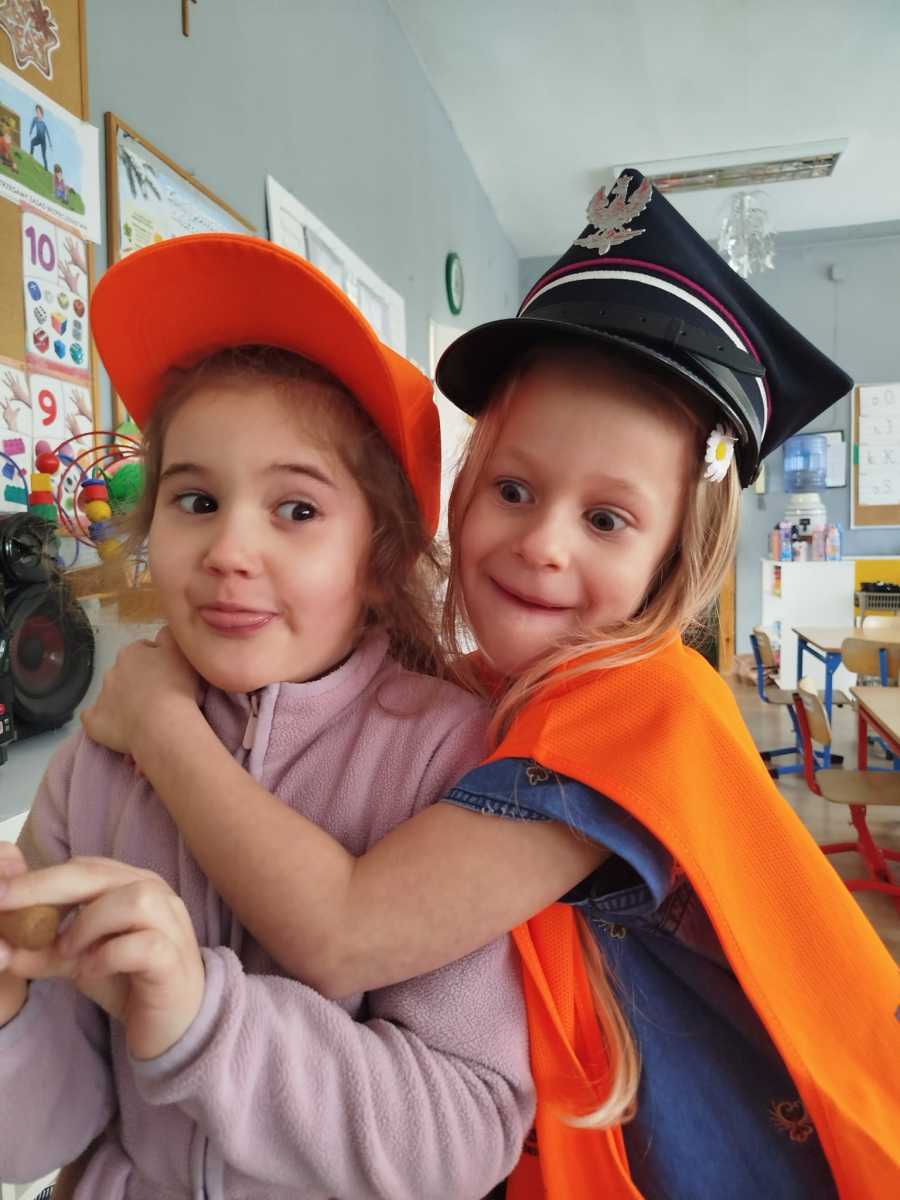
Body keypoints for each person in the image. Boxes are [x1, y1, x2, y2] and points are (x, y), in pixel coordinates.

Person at [63, 174, 900, 1197]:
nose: (542, 542)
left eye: (606, 519)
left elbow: (347, 934)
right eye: (514, 488)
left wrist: (161, 722)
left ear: (674, 557)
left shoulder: (646, 706)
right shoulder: (492, 691)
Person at [0, 234, 534, 1199]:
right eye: (196, 499)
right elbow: (35, 1137)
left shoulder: (444, 756)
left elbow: (464, 1135)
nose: (229, 549)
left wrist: (202, 1018)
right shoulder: (99, 757)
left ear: (381, 559)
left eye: (296, 510)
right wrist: (8, 1010)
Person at [29, 104, 51, 170]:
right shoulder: (35, 119)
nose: (38, 113)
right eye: (36, 111)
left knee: (43, 155)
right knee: (32, 142)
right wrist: (30, 131)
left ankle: (46, 167)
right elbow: (32, 125)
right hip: (38, 138)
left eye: (39, 112)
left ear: (41, 114)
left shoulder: (43, 124)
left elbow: (47, 134)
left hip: (43, 141)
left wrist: (50, 144)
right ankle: (31, 155)